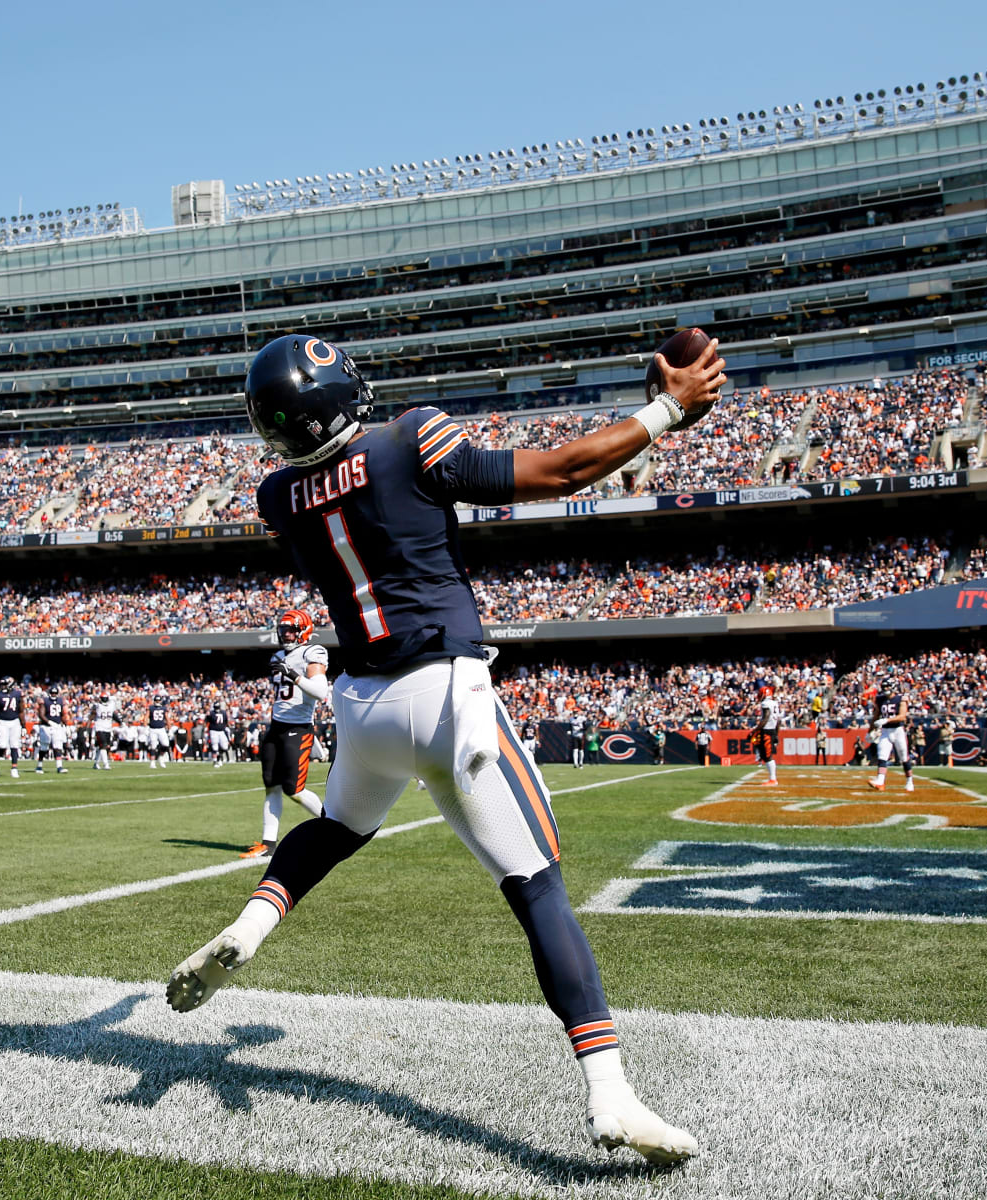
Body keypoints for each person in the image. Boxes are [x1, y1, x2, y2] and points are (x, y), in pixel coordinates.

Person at [167, 332, 724, 1163]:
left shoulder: (278, 495)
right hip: (446, 694)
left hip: (360, 704)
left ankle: (251, 925)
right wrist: (666, 410)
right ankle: (612, 1093)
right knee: (538, 887)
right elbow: (558, 474)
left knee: (336, 829)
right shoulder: (410, 436)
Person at [239, 609, 328, 860]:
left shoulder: (313, 652)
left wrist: (293, 675)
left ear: (303, 631)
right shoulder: (279, 654)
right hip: (276, 726)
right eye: (283, 629)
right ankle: (269, 843)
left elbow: (320, 692)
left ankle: (336, 827)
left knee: (294, 789)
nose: (285, 634)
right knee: (272, 786)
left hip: (298, 728)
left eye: (291, 629)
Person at [868, 690, 914, 792]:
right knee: (882, 756)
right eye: (884, 687)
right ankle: (880, 781)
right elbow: (876, 715)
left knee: (904, 758)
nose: (886, 689)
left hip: (898, 731)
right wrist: (869, 731)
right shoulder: (880, 699)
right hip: (885, 731)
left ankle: (909, 781)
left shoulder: (900, 699)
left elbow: (902, 716)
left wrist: (887, 720)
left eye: (888, 687)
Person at [0, 675, 24, 778]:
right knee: (2, 745)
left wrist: (24, 726)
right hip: (2, 721)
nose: (2, 686)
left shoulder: (18, 695)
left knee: (14, 745)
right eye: (1, 684)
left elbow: (21, 711)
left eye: (4, 684)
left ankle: (14, 768)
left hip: (15, 721)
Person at [36, 686, 70, 774]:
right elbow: (41, 714)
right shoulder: (45, 701)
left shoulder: (60, 701)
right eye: (52, 693)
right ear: (49, 693)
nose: (54, 695)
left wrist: (66, 725)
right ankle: (39, 766)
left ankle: (59, 767)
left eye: (55, 693)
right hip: (46, 727)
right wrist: (49, 722)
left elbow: (63, 714)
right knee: (44, 747)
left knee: (58, 746)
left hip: (57, 726)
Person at [753, 685, 780, 785]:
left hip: (766, 731)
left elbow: (766, 718)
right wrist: (776, 733)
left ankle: (773, 779)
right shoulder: (774, 703)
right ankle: (772, 778)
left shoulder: (766, 704)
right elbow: (778, 721)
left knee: (767, 755)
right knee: (766, 755)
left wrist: (755, 730)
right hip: (772, 730)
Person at [91, 693, 117, 769]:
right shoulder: (109, 705)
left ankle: (96, 764)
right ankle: (106, 764)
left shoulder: (99, 705)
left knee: (102, 747)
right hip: (100, 728)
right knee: (103, 746)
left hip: (107, 728)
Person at [146, 693, 172, 769]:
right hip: (152, 729)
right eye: (156, 700)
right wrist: (145, 727)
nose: (157, 702)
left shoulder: (164, 708)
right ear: (154, 700)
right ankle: (152, 762)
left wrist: (169, 729)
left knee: (166, 744)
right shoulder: (151, 708)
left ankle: (160, 757)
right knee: (153, 746)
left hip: (161, 729)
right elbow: (146, 717)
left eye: (158, 700)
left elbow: (167, 719)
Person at [205, 701, 230, 767]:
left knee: (225, 747)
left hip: (221, 731)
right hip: (213, 731)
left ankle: (219, 757)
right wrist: (207, 716)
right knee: (215, 747)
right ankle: (215, 761)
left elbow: (226, 722)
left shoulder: (223, 713)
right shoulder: (211, 713)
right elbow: (207, 721)